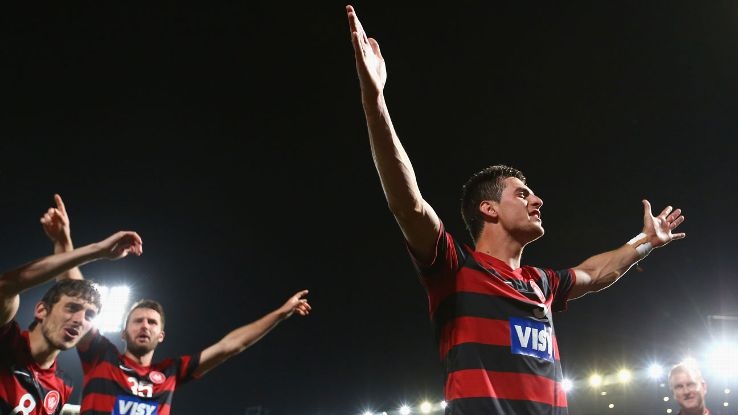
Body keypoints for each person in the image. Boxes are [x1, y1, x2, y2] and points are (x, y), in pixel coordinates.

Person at [346, 5, 687, 414]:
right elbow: (409, 205)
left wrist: (645, 242)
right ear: (488, 208)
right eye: (522, 195)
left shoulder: (540, 283)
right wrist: (375, 99)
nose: (537, 201)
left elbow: (597, 273)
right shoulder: (455, 269)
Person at [43, 197, 312, 415]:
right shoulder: (101, 355)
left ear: (161, 335)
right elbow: (76, 294)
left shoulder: (170, 372)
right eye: (137, 321)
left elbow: (231, 345)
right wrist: (63, 241)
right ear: (123, 333)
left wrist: (280, 314)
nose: (144, 326)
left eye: (152, 322)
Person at [0, 195, 143, 415]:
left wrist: (63, 243)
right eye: (72, 308)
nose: (80, 320)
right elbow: (8, 285)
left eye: (90, 315)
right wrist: (98, 250)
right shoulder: (6, 340)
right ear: (41, 310)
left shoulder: (61, 385)